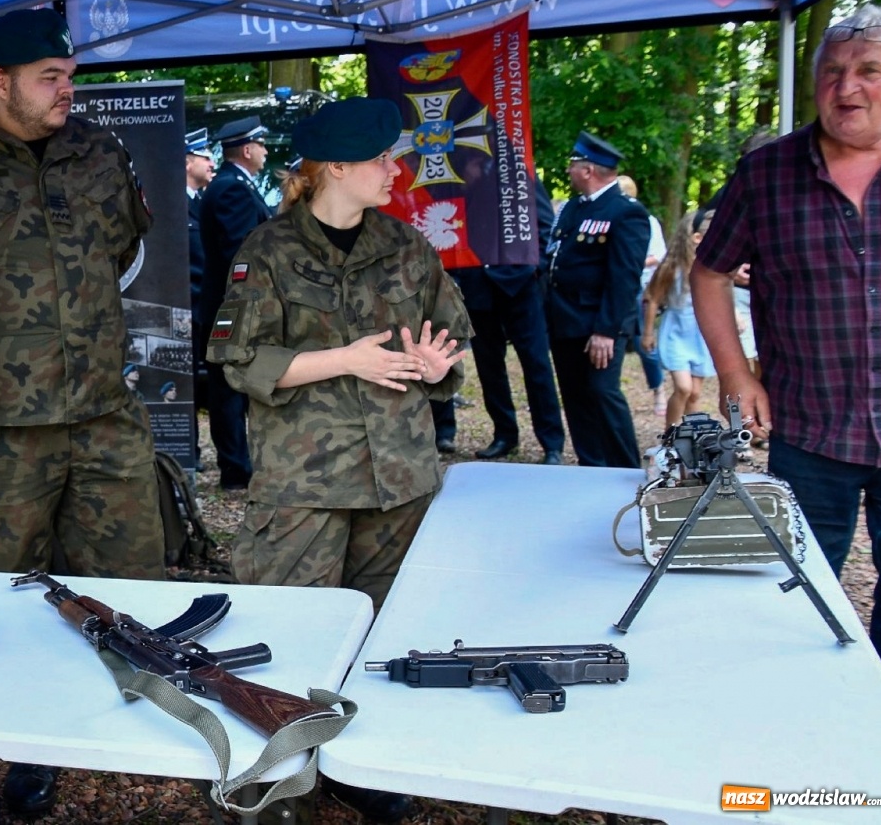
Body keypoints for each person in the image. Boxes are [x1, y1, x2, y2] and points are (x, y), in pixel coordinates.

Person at [0, 7, 163, 815]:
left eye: (70, 73)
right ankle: (24, 739)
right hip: (2, 423)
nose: (67, 88)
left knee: (126, 574)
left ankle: (107, 716)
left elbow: (121, 245)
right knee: (10, 586)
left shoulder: (98, 149)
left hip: (102, 408)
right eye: (50, 77)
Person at [206, 97, 468, 824]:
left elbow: (449, 342)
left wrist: (433, 365)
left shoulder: (406, 247)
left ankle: (358, 766)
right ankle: (279, 776)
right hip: (308, 482)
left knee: (382, 633)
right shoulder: (268, 252)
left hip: (400, 476)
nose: (397, 169)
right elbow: (236, 361)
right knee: (294, 634)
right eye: (384, 158)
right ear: (338, 168)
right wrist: (344, 360)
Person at [693, 4, 881, 689]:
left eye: (870, 71)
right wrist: (733, 373)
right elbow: (710, 271)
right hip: (809, 428)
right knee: (795, 586)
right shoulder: (767, 174)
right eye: (833, 72)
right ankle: (803, 708)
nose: (848, 87)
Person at [543, 131, 649, 467]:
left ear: (587, 170)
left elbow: (624, 278)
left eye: (573, 164)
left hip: (598, 324)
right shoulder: (573, 207)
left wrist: (606, 330)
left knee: (602, 393)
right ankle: (591, 467)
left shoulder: (624, 212)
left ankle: (626, 469)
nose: (569, 169)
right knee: (575, 397)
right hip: (565, 319)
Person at [444, 176, 567, 464]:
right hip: (478, 289)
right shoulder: (460, 181)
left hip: (521, 288)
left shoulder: (522, 178)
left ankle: (552, 443)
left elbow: (546, 232)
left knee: (536, 365)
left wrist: (534, 271)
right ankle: (504, 434)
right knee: (490, 368)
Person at [198, 114, 274, 489]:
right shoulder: (232, 189)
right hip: (234, 308)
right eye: (261, 145)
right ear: (247, 149)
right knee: (228, 389)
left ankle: (241, 465)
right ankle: (236, 469)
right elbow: (241, 253)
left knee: (234, 387)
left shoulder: (237, 185)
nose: (265, 151)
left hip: (233, 306)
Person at [642, 210, 716, 427]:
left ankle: (690, 438)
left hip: (700, 334)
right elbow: (653, 298)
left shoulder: (710, 268)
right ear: (696, 238)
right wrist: (648, 333)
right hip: (676, 332)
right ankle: (671, 435)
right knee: (683, 388)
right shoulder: (673, 267)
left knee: (694, 393)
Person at [619, 173, 667, 414]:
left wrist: (631, 263)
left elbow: (658, 256)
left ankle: (658, 387)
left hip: (640, 290)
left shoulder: (648, 221)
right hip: (616, 287)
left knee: (642, 343)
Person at [186, 126, 216, 431]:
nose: (212, 163)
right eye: (205, 156)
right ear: (186, 163)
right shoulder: (171, 204)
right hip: (185, 306)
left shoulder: (201, 203)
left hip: (203, 308)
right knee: (185, 383)